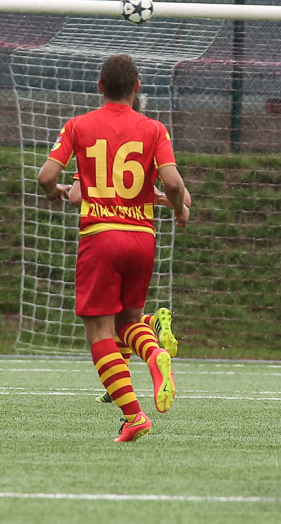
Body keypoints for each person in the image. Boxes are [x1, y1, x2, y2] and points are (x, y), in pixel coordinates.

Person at [37, 54, 189, 442]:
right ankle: (154, 352)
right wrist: (179, 208)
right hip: (142, 239)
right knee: (127, 324)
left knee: (100, 331)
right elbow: (174, 185)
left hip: (101, 237)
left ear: (100, 86)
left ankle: (134, 416)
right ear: (137, 88)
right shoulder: (154, 129)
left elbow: (46, 177)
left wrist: (52, 191)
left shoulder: (79, 126)